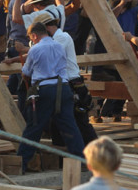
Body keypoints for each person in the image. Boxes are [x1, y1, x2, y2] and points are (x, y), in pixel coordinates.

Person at [17, 22, 85, 171]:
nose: (32, 40)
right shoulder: (59, 46)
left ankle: (22, 162)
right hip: (63, 88)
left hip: (45, 90)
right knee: (70, 127)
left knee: (34, 127)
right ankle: (81, 160)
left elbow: (26, 73)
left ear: (34, 35)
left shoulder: (35, 49)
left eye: (32, 38)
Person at [32, 12, 97, 145]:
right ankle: (64, 158)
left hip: (72, 84)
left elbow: (48, 53)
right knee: (58, 123)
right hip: (63, 85)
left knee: (80, 122)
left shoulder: (62, 37)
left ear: (47, 28)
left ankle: (98, 155)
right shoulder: (56, 39)